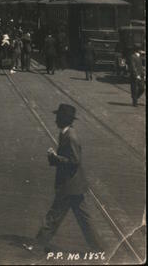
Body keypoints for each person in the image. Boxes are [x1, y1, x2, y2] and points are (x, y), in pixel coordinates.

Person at [36, 103, 102, 253]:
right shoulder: (65, 133)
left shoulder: (70, 136)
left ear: (62, 119)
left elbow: (74, 160)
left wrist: (55, 157)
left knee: (54, 215)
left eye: (58, 117)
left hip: (69, 184)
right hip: (75, 184)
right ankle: (99, 250)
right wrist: (55, 157)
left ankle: (38, 245)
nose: (55, 120)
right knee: (84, 218)